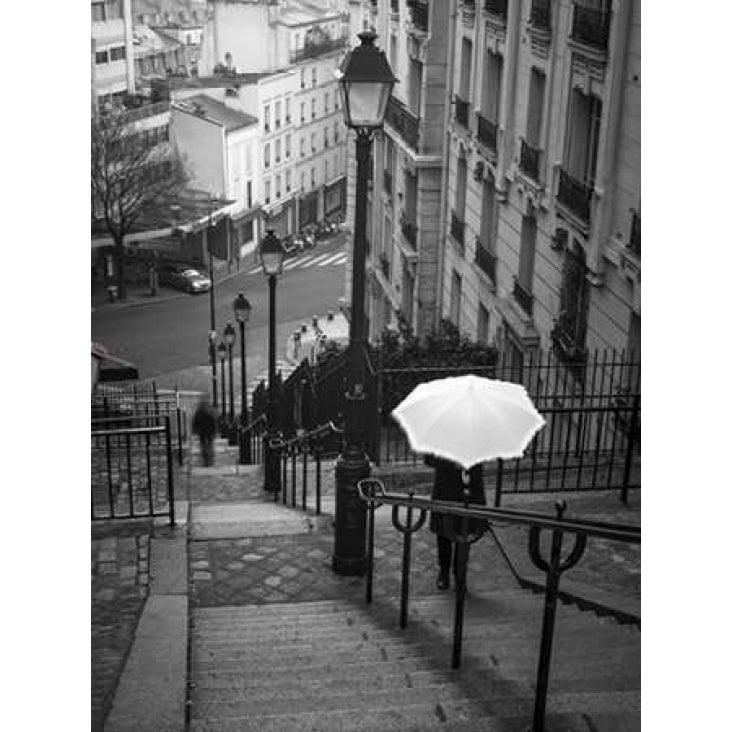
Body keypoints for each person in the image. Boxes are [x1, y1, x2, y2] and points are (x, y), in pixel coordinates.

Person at [425, 454, 487, 591]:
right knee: (444, 533)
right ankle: (444, 571)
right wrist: (452, 463)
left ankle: (460, 575)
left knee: (466, 531)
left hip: (470, 489)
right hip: (445, 489)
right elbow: (429, 458)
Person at [192, 395, 218, 466]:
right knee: (209, 444)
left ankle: (206, 457)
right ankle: (209, 458)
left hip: (202, 431)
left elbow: (195, 421)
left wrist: (195, 430)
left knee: (204, 444)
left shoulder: (199, 411)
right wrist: (215, 431)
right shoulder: (210, 410)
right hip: (209, 431)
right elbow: (213, 421)